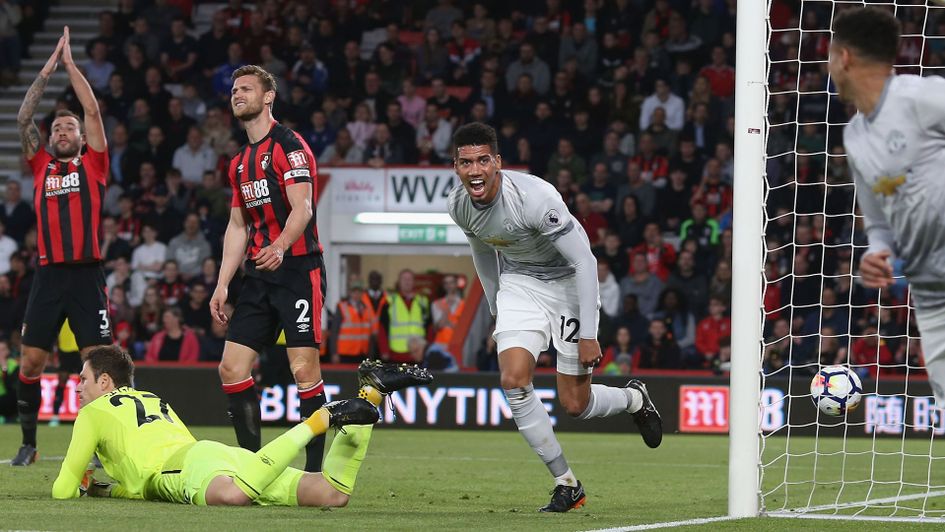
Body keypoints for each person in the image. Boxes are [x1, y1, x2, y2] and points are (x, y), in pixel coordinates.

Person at [446, 122, 662, 512]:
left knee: (575, 404)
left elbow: (584, 262)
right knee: (513, 380)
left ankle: (634, 398)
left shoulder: (535, 198)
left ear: (497, 162)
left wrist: (589, 334)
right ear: (456, 167)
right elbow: (482, 252)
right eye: (466, 163)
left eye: (482, 161)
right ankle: (566, 483)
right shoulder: (459, 206)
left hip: (567, 284)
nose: (475, 171)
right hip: (520, 283)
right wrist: (496, 308)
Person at [52, 345, 433, 505]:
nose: (78, 388)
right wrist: (105, 490)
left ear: (105, 381)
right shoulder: (150, 397)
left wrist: (85, 486)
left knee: (234, 497)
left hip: (181, 470)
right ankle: (372, 393)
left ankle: (322, 418)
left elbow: (63, 490)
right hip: (213, 456)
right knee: (331, 494)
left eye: (83, 380)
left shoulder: (93, 413)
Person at [209, 65, 328, 474]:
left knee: (304, 369)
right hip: (260, 275)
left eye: (246, 88)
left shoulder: (289, 146)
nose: (237, 94)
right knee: (231, 368)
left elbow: (303, 207)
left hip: (297, 269)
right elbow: (237, 226)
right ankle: (251, 466)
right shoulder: (239, 163)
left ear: (268, 96)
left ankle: (314, 472)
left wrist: (279, 246)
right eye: (234, 90)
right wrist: (222, 284)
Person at [832, 8, 945, 405]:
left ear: (844, 57)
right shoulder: (854, 136)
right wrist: (875, 252)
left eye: (830, 55)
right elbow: (879, 223)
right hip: (931, 294)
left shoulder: (921, 98)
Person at [11, 28, 113, 466]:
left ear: (83, 137)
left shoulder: (95, 163)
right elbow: (23, 118)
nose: (63, 130)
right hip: (48, 275)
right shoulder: (41, 166)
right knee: (30, 362)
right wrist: (47, 70)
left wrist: (71, 66)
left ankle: (100, 449)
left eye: (70, 126)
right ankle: (28, 444)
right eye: (57, 127)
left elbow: (92, 109)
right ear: (50, 138)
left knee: (96, 365)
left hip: (87, 276)